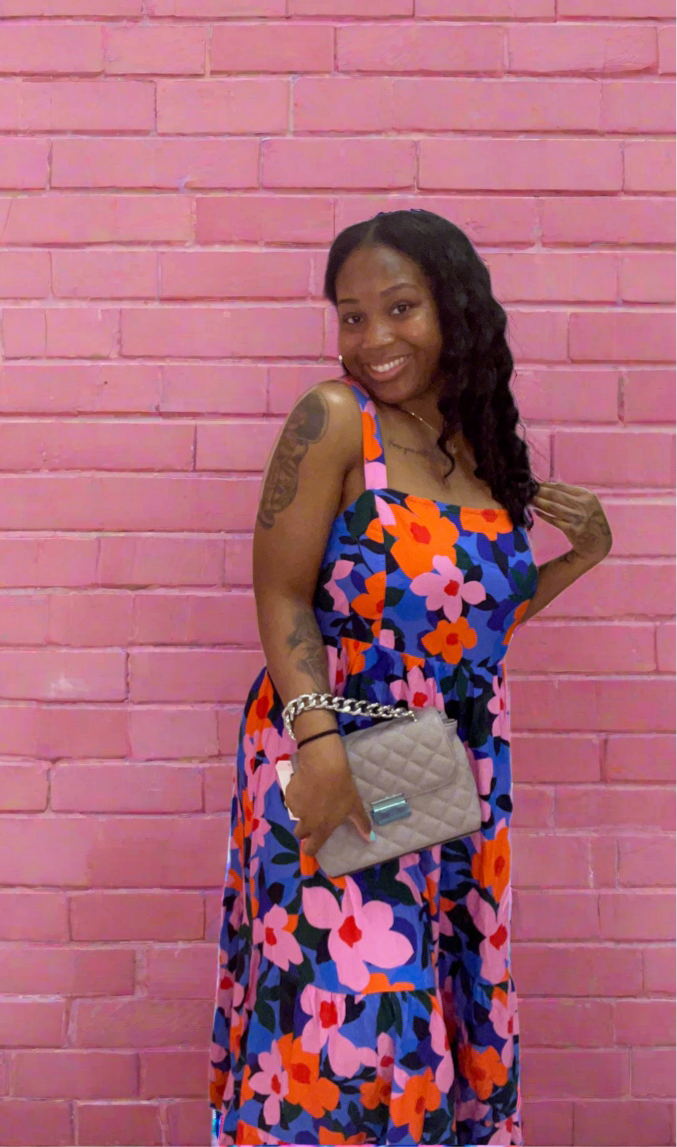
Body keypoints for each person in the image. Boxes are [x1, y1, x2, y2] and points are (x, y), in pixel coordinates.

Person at [209, 209, 612, 1146]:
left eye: (398, 308)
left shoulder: (476, 446)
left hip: (450, 767)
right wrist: (318, 748)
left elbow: (465, 632)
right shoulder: (334, 419)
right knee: (342, 1022)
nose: (371, 338)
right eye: (351, 316)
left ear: (454, 309)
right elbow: (280, 591)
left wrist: (578, 557)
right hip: (343, 746)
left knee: (433, 1006)